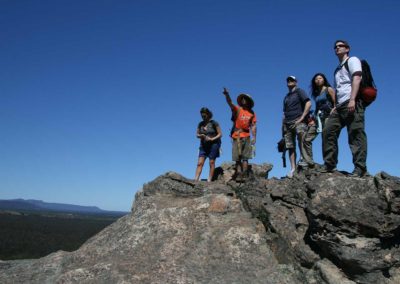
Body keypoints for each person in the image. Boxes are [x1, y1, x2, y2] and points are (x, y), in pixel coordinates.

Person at [322, 40, 368, 177]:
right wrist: (335, 106)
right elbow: (339, 89)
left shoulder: (352, 60)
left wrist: (353, 99)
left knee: (355, 134)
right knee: (328, 131)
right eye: (335, 47)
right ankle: (330, 165)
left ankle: (360, 168)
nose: (337, 48)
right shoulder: (337, 69)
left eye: (340, 46)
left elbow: (357, 78)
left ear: (347, 49)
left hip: (352, 102)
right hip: (340, 106)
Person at [300, 73, 336, 167]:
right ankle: (309, 161)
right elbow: (317, 107)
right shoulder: (316, 94)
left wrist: (334, 110)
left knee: (327, 139)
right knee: (307, 138)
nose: (318, 80)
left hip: (327, 117)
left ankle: (329, 163)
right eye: (316, 79)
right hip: (317, 118)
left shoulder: (329, 89)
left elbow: (335, 102)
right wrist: (312, 119)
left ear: (324, 79)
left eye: (320, 78)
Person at [222, 88, 257, 181]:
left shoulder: (252, 112)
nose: (244, 100)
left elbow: (253, 125)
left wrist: (254, 137)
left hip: (247, 135)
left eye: (245, 98)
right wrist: (227, 95)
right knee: (237, 157)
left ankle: (244, 174)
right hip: (237, 135)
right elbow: (230, 103)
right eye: (243, 98)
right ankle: (238, 174)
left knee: (246, 157)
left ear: (248, 101)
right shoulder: (237, 109)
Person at [282, 76, 311, 178]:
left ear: (296, 82)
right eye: (288, 80)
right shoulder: (286, 97)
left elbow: (308, 102)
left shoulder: (300, 91)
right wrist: (283, 125)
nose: (290, 81)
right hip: (287, 123)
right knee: (290, 146)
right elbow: (284, 112)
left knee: (302, 141)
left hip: (298, 120)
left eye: (292, 80)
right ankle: (293, 168)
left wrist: (302, 117)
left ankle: (304, 162)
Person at [194, 107, 222, 182]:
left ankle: (209, 180)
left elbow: (220, 134)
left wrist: (211, 139)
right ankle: (195, 180)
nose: (203, 117)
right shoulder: (200, 124)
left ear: (208, 115)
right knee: (200, 163)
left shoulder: (214, 123)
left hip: (214, 145)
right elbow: (197, 134)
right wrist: (201, 136)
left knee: (211, 162)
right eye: (202, 116)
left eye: (204, 116)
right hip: (203, 145)